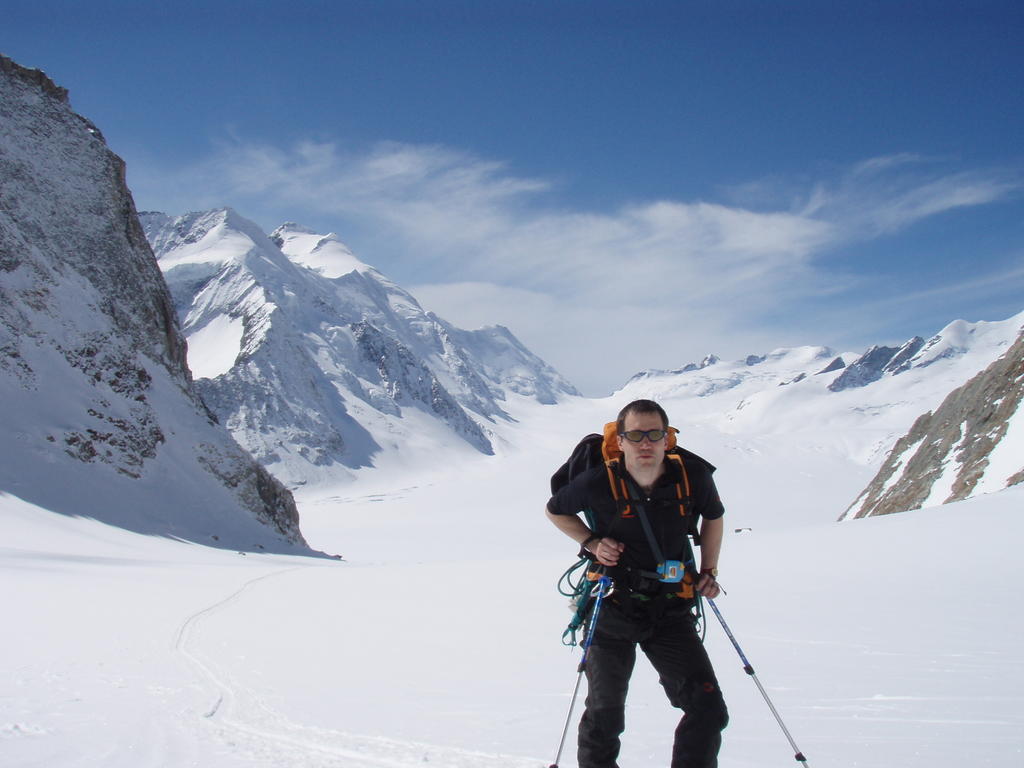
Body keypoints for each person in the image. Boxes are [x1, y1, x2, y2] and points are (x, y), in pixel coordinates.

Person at [546, 398, 729, 768]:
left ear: (667, 439)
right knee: (604, 715)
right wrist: (592, 543)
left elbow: (714, 517)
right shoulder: (599, 481)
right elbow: (556, 510)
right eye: (636, 435)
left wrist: (709, 571)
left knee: (708, 708)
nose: (645, 443)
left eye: (654, 434)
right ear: (622, 440)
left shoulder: (693, 477)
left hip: (671, 608)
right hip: (612, 605)